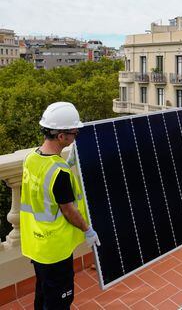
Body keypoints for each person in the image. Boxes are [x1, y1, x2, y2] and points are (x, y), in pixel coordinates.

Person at [20, 102, 100, 309]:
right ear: (61, 136)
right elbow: (68, 210)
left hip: (36, 245)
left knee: (43, 294)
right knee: (59, 301)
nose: (76, 137)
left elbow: (44, 192)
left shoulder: (31, 158)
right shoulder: (59, 172)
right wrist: (87, 229)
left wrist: (68, 162)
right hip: (55, 249)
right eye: (74, 133)